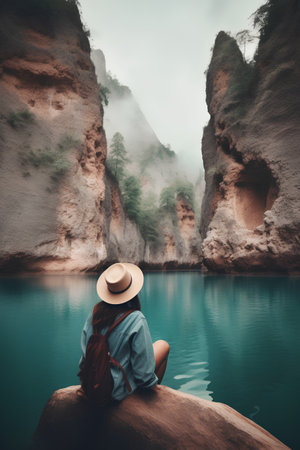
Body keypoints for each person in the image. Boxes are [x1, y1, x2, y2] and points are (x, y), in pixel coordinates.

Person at [79, 262, 170, 401]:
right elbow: (143, 374)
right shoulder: (136, 319)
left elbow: (84, 360)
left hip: (92, 384)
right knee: (163, 345)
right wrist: (152, 385)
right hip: (117, 391)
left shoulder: (94, 314)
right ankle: (149, 399)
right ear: (132, 291)